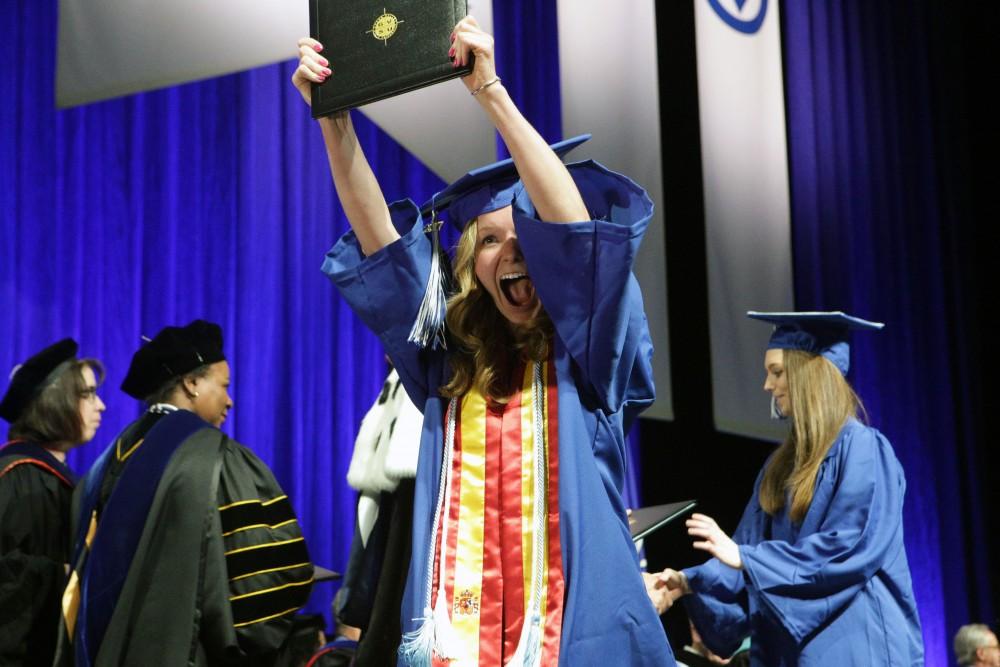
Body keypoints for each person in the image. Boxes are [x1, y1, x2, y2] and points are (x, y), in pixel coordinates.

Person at [293, 15, 674, 666]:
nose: (513, 250)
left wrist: (489, 91)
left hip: (578, 638)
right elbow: (380, 240)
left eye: (528, 235)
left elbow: (578, 241)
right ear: (468, 265)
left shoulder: (588, 357)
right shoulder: (446, 366)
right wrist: (333, 118)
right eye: (491, 239)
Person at [657, 311, 923, 666]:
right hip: (791, 652)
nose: (767, 385)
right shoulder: (779, 467)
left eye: (777, 372)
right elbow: (744, 554)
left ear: (810, 375)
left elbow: (847, 547)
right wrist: (685, 582)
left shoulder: (864, 449)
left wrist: (748, 560)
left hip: (856, 644)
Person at [55, 320, 314, 666]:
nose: (230, 400)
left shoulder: (107, 463)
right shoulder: (215, 457)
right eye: (224, 385)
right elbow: (267, 586)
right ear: (192, 383)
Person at [0, 339, 105, 667]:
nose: (100, 405)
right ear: (54, 402)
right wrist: (68, 576)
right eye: (87, 394)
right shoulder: (19, 477)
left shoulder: (56, 478)